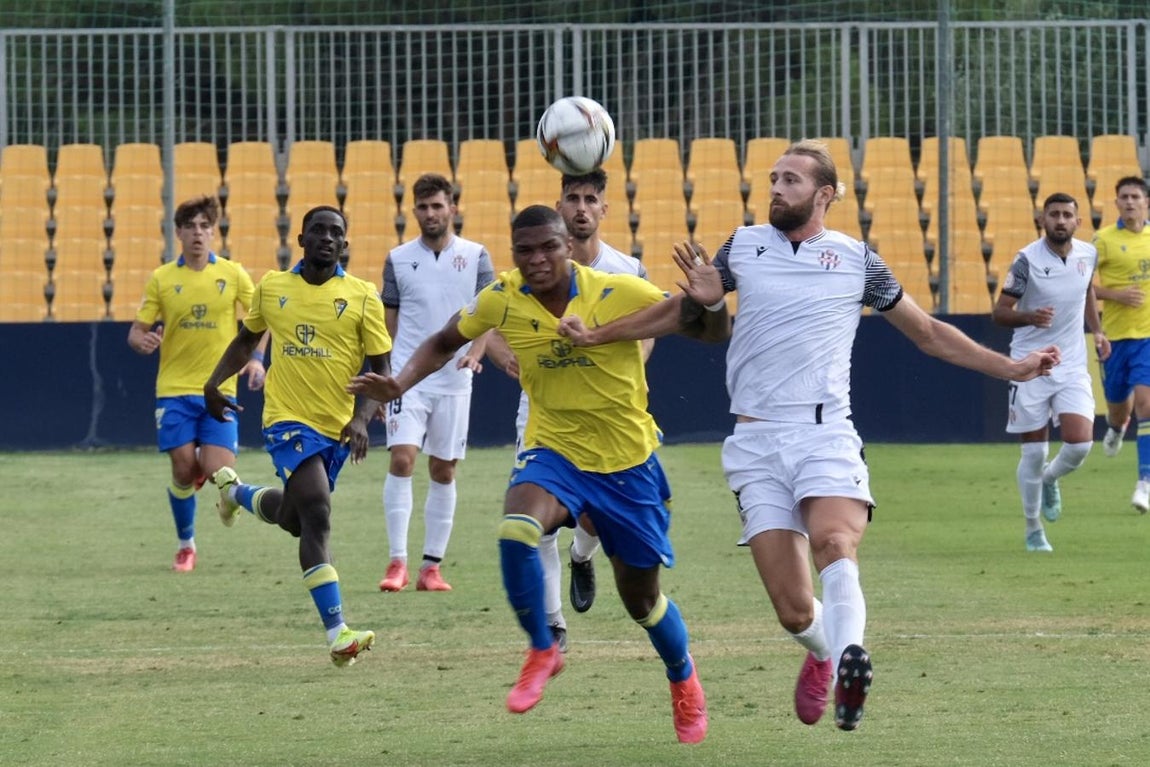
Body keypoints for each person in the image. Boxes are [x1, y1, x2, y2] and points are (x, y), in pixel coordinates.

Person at [554, 139, 1060, 732]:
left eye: (790, 180)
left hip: (825, 433)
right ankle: (824, 650)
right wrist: (602, 335)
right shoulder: (743, 246)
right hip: (754, 442)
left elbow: (926, 332)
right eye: (773, 177)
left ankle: (851, 660)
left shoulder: (858, 259)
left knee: (835, 544)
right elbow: (686, 312)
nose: (775, 188)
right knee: (794, 610)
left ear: (824, 195)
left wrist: (1011, 367)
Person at [348, 205, 729, 743]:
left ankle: (683, 678)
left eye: (547, 246)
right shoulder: (502, 297)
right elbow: (442, 341)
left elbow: (709, 330)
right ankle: (543, 647)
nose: (536, 259)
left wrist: (710, 300)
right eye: (524, 250)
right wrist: (400, 382)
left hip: (626, 463)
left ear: (567, 246)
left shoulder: (614, 291)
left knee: (642, 600)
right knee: (517, 528)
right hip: (555, 450)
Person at [204, 206, 392, 667]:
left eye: (337, 233)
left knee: (295, 519)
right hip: (286, 419)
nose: (328, 238)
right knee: (318, 512)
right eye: (319, 231)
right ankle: (338, 632)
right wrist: (213, 383)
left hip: (335, 429)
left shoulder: (363, 297)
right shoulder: (273, 287)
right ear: (301, 239)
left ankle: (236, 492)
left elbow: (381, 372)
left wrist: (363, 419)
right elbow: (248, 341)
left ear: (345, 244)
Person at [485, 168, 652, 651]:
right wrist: (507, 358)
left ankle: (584, 555)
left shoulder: (627, 269)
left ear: (604, 210)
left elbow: (648, 330)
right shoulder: (528, 274)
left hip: (610, 420)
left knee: (595, 521)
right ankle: (554, 626)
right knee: (536, 524)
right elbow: (492, 326)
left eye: (590, 199)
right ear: (559, 207)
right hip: (543, 413)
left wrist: (620, 376)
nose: (581, 207)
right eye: (572, 197)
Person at [126, 195, 267, 572]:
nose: (198, 234)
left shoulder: (233, 274)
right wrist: (142, 342)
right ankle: (186, 544)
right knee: (183, 471)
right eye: (190, 227)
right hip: (173, 389)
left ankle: (219, 487)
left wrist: (255, 360)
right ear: (178, 233)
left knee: (223, 476)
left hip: (219, 390)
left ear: (214, 232)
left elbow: (259, 320)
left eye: (205, 226)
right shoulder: (162, 278)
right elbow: (137, 332)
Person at [377, 173, 494, 593]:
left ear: (452, 209)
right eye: (423, 207)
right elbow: (386, 324)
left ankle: (431, 567)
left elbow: (488, 311)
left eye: (437, 206)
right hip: (407, 379)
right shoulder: (398, 258)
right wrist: (386, 373)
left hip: (454, 380)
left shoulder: (477, 255)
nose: (430, 214)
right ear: (414, 211)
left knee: (443, 469)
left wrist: (477, 352)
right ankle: (397, 563)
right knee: (402, 460)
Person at [992, 193, 1109, 552]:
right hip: (1030, 363)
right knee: (1033, 453)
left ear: (1078, 221)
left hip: (1071, 363)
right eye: (1054, 214)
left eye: (1067, 215)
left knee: (1080, 443)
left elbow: (1087, 290)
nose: (1060, 220)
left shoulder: (1087, 255)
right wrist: (1030, 316)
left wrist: (1098, 330)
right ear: (1042, 219)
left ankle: (1049, 480)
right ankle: (1033, 529)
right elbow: (1000, 312)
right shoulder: (1026, 260)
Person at [1092, 176, 1150, 511]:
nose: (1129, 202)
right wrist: (1115, 294)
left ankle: (1144, 482)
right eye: (1123, 197)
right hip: (1115, 338)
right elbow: (1082, 283)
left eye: (1135, 196)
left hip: (1147, 337)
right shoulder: (1103, 240)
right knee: (1118, 407)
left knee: (1146, 404)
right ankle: (1116, 427)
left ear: (1145, 203)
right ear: (1116, 204)